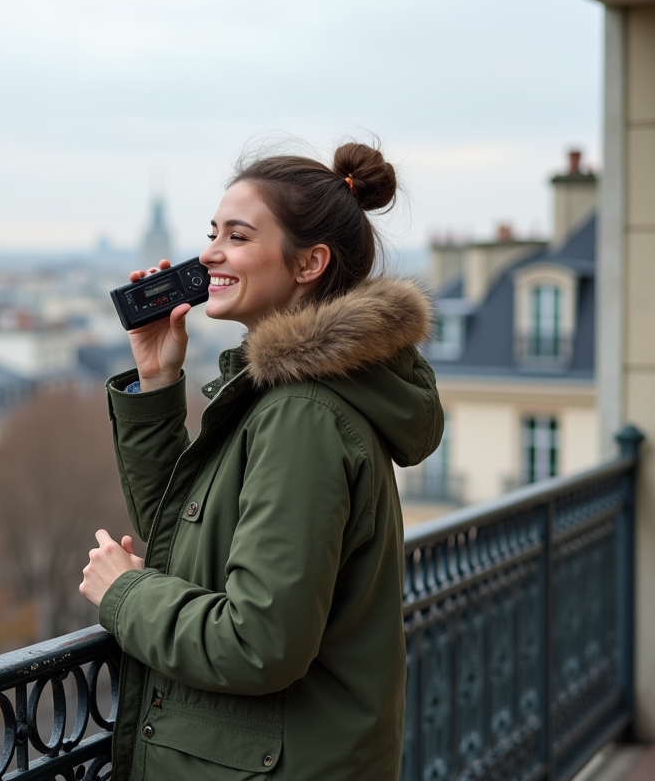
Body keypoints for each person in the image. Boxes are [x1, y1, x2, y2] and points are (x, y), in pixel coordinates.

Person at [79, 142, 442, 780]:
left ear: (310, 264)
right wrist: (158, 383)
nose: (210, 253)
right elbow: (183, 534)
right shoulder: (281, 398)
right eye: (212, 232)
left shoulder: (300, 414)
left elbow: (259, 643)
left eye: (238, 236)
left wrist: (123, 592)